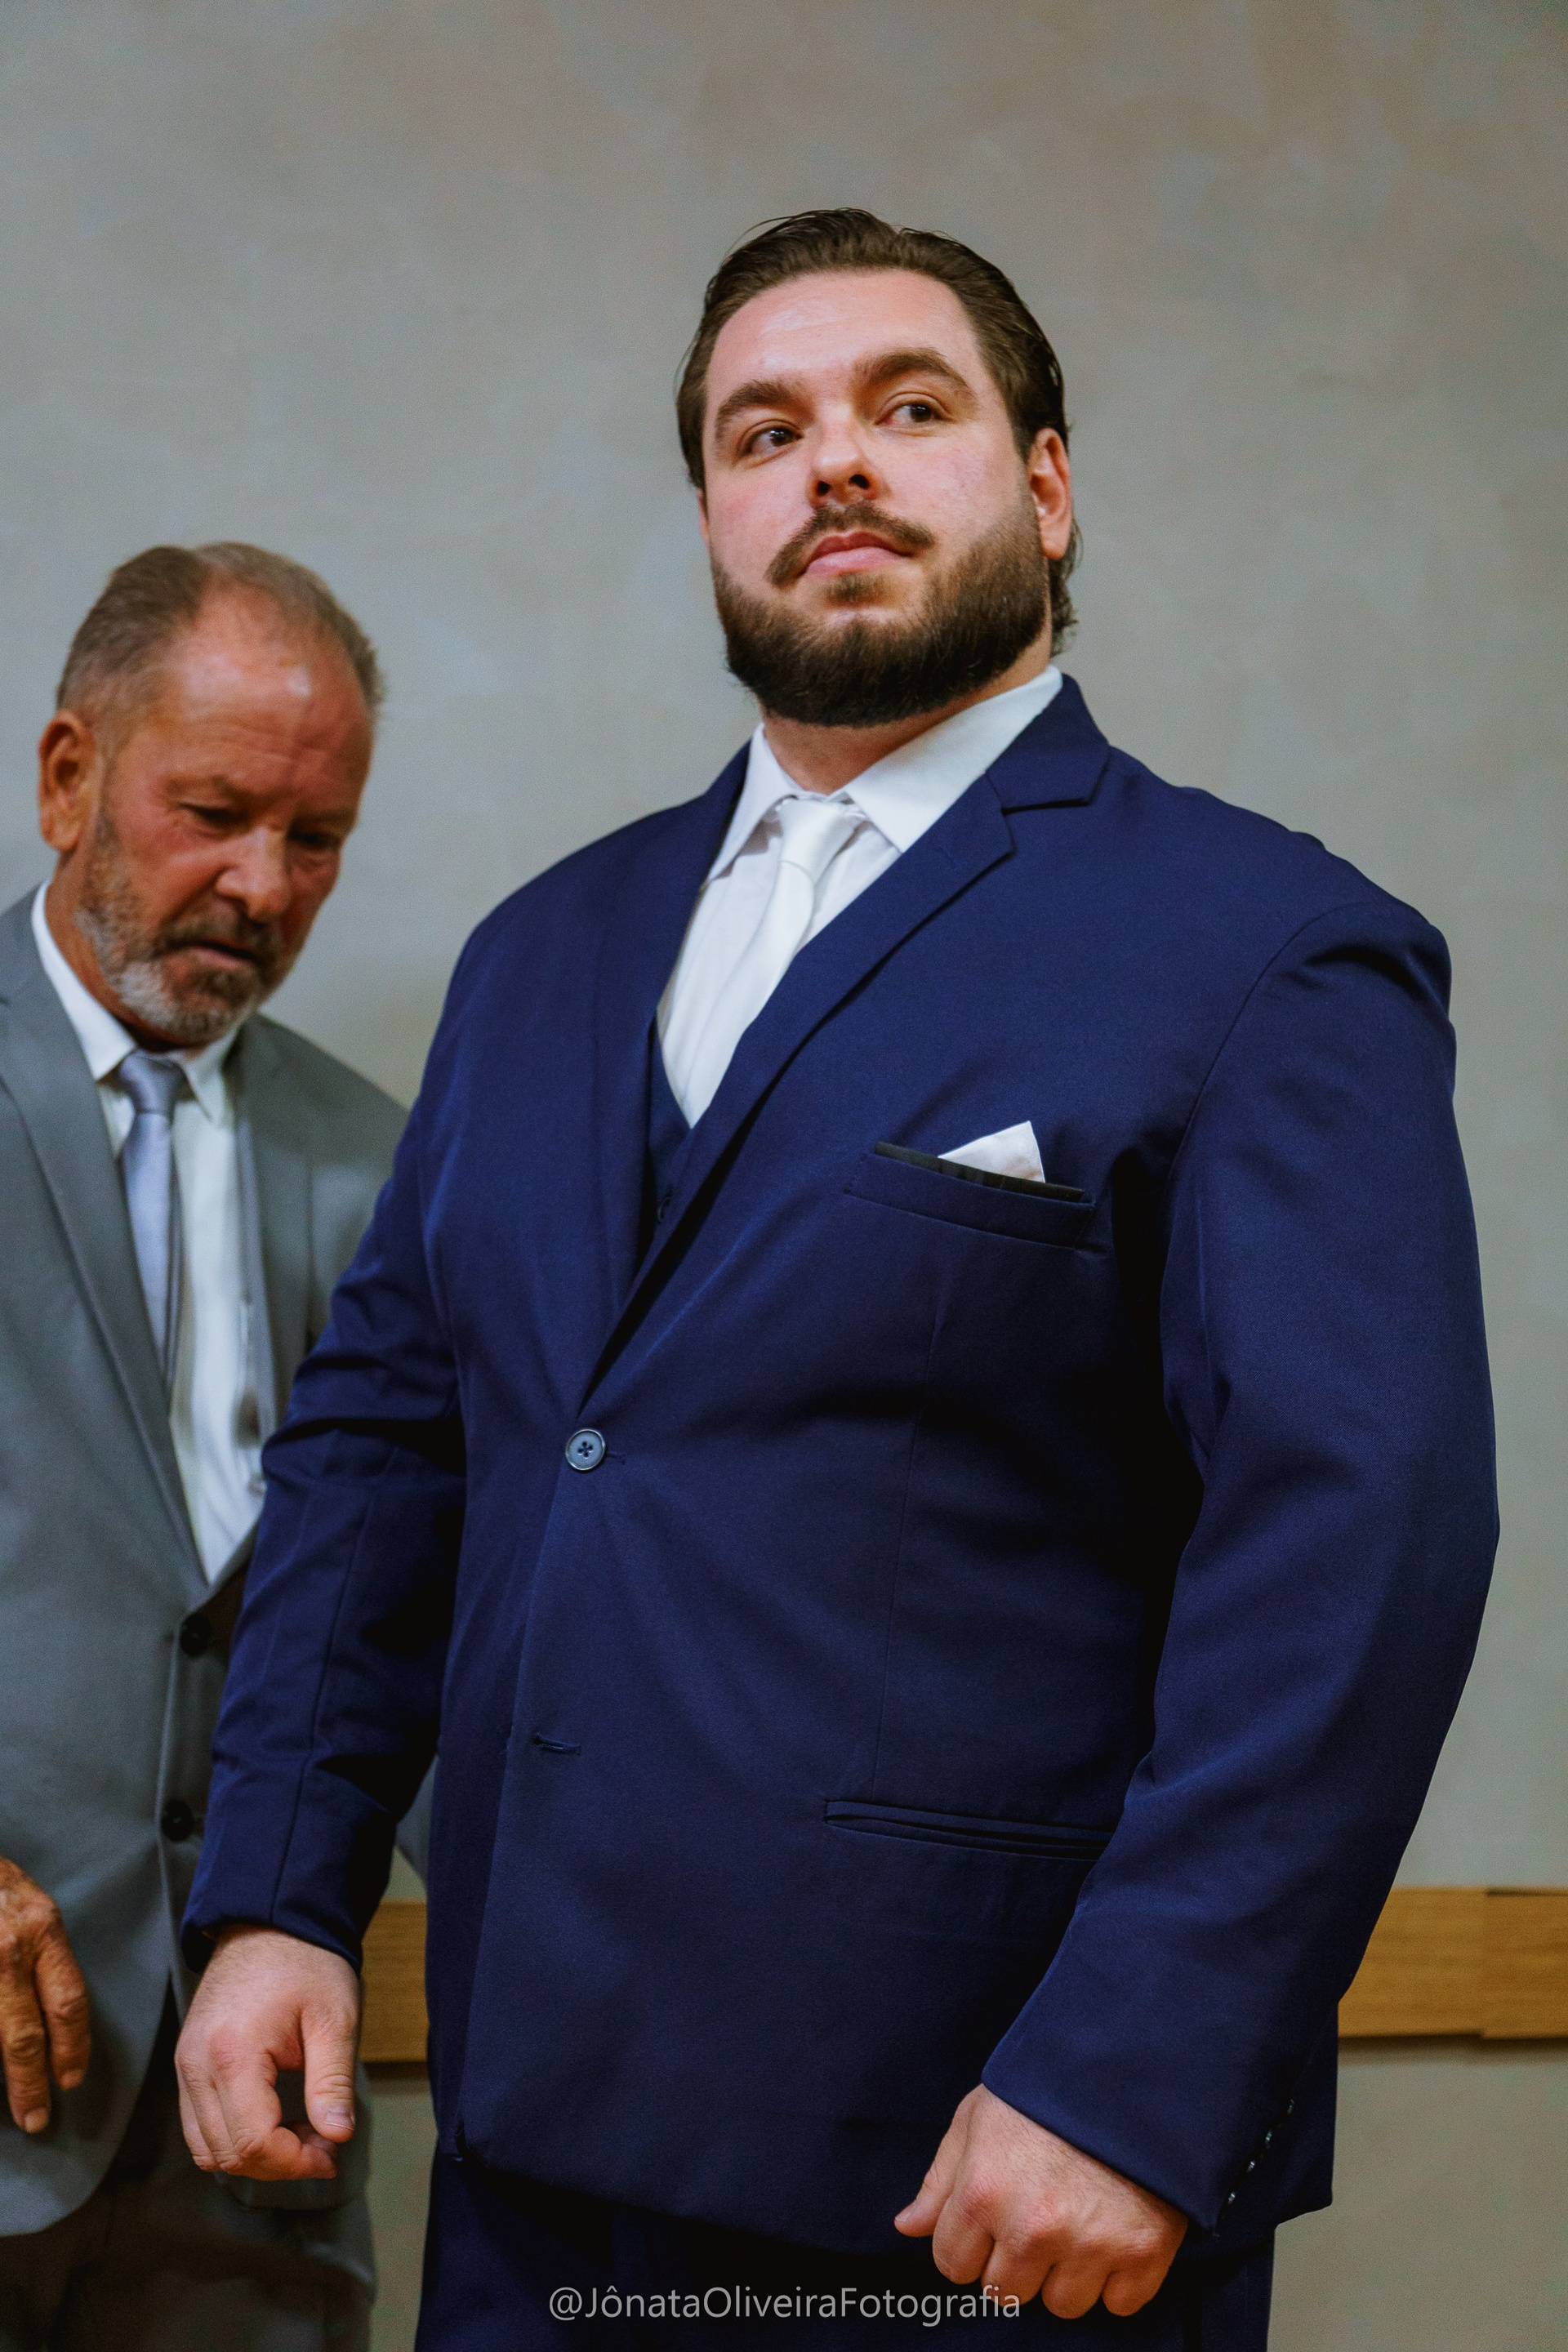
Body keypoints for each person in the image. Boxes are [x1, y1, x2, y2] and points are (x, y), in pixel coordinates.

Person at [178, 213, 1497, 2350]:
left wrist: (1140, 2083)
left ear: (1045, 486)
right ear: (714, 513)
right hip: (525, 2178)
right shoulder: (543, 953)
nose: (835, 464)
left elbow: (1361, 1544)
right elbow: (378, 1457)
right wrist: (275, 1896)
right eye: (764, 431)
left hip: (985, 2189)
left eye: (909, 406)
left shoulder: (1265, 952)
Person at [0, 543, 412, 2350]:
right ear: (68, 776)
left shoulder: (387, 1160)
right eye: (217, 813)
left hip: (258, 2140)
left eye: (316, 839)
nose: (262, 886)